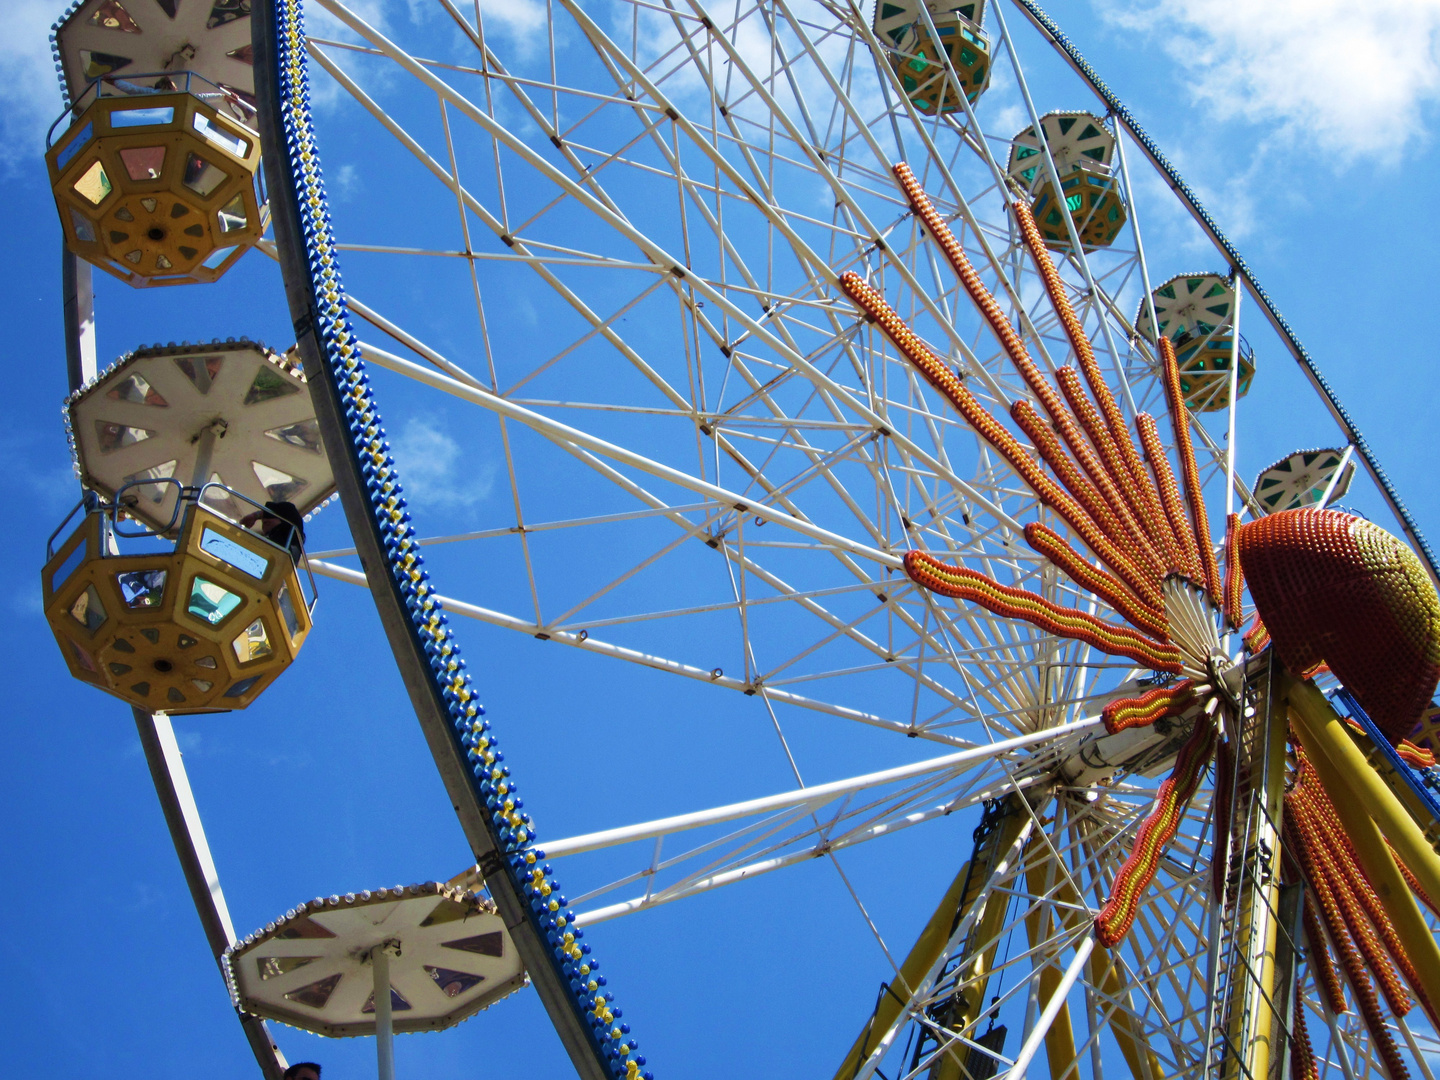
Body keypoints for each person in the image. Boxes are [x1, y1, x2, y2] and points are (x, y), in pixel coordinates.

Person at [240, 500, 306, 561]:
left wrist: (255, 516)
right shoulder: (268, 538)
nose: (264, 522)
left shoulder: (293, 536)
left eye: (267, 521)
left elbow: (289, 509)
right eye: (263, 523)